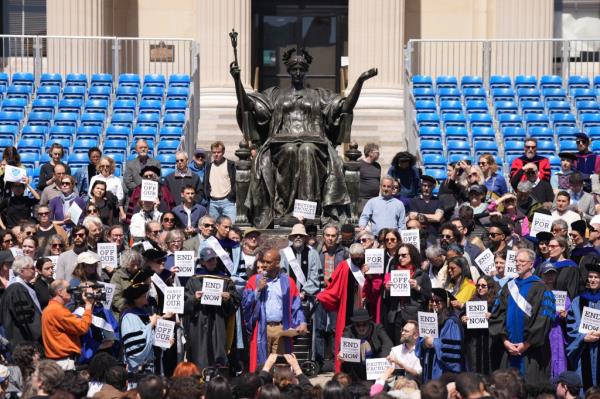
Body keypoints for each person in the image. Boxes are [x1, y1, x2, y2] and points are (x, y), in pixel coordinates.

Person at [231, 49, 376, 228]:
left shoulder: (318, 95)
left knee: (307, 150)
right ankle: (284, 209)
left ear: (306, 70)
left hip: (314, 142)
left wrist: (359, 82)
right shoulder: (275, 95)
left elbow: (345, 107)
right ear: (289, 71)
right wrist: (237, 80)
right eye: (294, 69)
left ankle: (307, 212)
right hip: (281, 142)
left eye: (301, 69)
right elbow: (248, 106)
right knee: (290, 150)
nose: (298, 73)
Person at [489, 248, 556, 381]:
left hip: (531, 352)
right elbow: (498, 314)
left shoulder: (542, 288)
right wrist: (505, 341)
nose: (518, 264)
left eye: (522, 261)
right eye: (516, 261)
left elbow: (544, 320)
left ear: (531, 264)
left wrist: (526, 344)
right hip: (508, 349)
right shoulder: (508, 287)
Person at [242, 248, 307, 372]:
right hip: (262, 328)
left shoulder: (288, 282)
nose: (264, 265)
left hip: (281, 329)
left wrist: (302, 322)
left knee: (281, 366)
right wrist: (257, 290)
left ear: (277, 262)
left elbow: (296, 305)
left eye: (268, 262)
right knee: (262, 366)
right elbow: (245, 304)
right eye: (263, 262)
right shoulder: (254, 280)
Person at [183, 247, 241, 369]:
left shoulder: (225, 279)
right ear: (202, 262)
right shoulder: (193, 280)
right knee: (200, 355)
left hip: (219, 322)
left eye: (214, 259)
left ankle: (218, 381)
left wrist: (228, 298)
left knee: (218, 353)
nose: (212, 262)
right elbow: (184, 304)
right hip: (199, 323)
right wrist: (195, 298)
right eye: (209, 260)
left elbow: (236, 301)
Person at [317, 243, 369, 372]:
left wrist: (368, 275)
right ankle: (346, 371)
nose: (356, 259)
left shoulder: (370, 264)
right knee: (347, 337)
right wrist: (322, 296)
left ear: (363, 255)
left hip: (366, 307)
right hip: (349, 308)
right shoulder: (344, 266)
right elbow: (333, 287)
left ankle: (364, 370)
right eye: (354, 257)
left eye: (359, 257)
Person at [378, 243, 431, 344]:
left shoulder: (422, 275)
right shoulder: (393, 273)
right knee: (398, 345)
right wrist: (387, 289)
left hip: (413, 317)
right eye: (398, 256)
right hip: (396, 315)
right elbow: (386, 297)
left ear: (412, 255)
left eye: (404, 255)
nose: (400, 258)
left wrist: (418, 288)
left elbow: (429, 296)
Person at [41, 279, 93, 370]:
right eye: (69, 289)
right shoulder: (57, 310)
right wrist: (88, 306)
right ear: (60, 292)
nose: (72, 292)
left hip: (58, 360)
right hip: (64, 361)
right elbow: (82, 327)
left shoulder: (50, 308)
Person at [566, 263, 600, 390]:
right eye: (590, 277)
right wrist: (583, 337)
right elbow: (571, 325)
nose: (592, 280)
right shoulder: (578, 301)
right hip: (584, 347)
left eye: (596, 277)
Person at [420, 288, 464, 382]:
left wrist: (434, 343)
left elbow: (451, 351)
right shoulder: (431, 319)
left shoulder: (451, 322)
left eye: (437, 301)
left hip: (443, 371)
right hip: (430, 366)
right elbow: (421, 342)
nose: (434, 304)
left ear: (446, 302)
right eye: (432, 301)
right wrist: (423, 343)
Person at [337, 308, 393, 381]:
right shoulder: (349, 330)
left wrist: (381, 361)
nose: (361, 328)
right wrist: (342, 353)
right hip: (355, 370)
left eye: (364, 325)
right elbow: (343, 346)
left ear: (369, 323)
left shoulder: (377, 328)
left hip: (374, 368)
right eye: (357, 325)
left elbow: (388, 344)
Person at [460, 275, 501, 375]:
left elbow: (501, 318)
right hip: (474, 341)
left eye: (483, 286)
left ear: (490, 287)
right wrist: (463, 319)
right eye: (478, 285)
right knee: (474, 368)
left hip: (489, 341)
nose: (480, 288)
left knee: (490, 368)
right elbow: (462, 315)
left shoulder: (496, 303)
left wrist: (492, 316)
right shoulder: (471, 302)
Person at [0, 256, 41, 351]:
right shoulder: (17, 289)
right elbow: (24, 317)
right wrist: (39, 334)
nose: (34, 270)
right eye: (32, 268)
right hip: (23, 340)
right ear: (22, 271)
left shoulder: (22, 286)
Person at [120, 280, 161, 375]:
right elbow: (134, 342)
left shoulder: (143, 313)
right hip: (137, 368)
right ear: (136, 299)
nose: (146, 300)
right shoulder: (128, 316)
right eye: (143, 296)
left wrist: (164, 341)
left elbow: (150, 336)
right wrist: (151, 324)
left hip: (149, 364)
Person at [279, 224, 321, 298]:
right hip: (288, 296)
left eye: (301, 235)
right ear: (291, 238)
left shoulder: (313, 253)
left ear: (305, 238)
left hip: (307, 298)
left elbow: (315, 276)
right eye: (295, 235)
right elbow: (281, 275)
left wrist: (304, 292)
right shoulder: (284, 253)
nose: (298, 237)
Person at [204, 141, 236, 221]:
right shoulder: (209, 166)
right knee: (213, 227)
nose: (216, 154)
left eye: (219, 152)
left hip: (228, 202)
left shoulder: (230, 165)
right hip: (213, 202)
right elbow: (206, 184)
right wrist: (208, 194)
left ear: (223, 152)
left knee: (231, 226)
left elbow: (235, 182)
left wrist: (231, 195)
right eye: (214, 152)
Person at [88, 156, 126, 221]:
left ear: (111, 167)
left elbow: (120, 196)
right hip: (97, 208)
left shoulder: (117, 180)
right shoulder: (94, 178)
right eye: (102, 166)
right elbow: (90, 193)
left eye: (107, 166)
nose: (105, 168)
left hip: (113, 208)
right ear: (99, 167)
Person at [358, 143, 381, 213]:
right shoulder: (359, 164)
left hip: (375, 199)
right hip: (362, 199)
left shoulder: (377, 166)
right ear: (370, 153)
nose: (379, 155)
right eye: (377, 152)